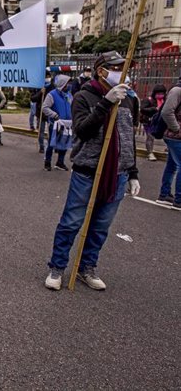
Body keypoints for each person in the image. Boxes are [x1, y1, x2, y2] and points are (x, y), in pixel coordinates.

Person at [45, 51, 140, 291]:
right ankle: (57, 268)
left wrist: (133, 172)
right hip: (87, 171)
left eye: (124, 67)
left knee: (100, 227)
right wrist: (106, 103)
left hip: (117, 174)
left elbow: (128, 137)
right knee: (71, 222)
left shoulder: (128, 98)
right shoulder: (83, 96)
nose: (122, 72)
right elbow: (83, 131)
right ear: (102, 70)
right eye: (117, 67)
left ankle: (87, 267)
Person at [156, 76, 181, 210]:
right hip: (175, 136)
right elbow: (166, 111)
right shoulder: (177, 90)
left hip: (175, 135)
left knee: (172, 165)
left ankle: (164, 195)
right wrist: (176, 128)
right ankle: (179, 199)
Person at [42, 74, 73, 171]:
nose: (69, 85)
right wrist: (54, 115)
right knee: (52, 143)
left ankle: (60, 162)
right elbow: (45, 108)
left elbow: (72, 106)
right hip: (55, 123)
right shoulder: (52, 94)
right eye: (67, 83)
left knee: (64, 143)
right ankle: (47, 162)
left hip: (67, 124)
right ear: (62, 84)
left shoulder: (69, 95)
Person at [140, 84, 167, 161]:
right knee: (150, 137)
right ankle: (150, 153)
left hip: (161, 122)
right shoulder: (148, 100)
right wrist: (155, 109)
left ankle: (168, 149)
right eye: (158, 94)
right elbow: (143, 109)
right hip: (149, 122)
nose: (160, 95)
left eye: (162, 93)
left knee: (166, 136)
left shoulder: (165, 101)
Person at [31, 72, 54, 153]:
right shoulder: (38, 87)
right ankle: (41, 146)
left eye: (49, 76)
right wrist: (40, 92)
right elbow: (33, 98)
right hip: (41, 112)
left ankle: (50, 146)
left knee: (51, 131)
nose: (47, 78)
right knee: (41, 131)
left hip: (50, 113)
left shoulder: (53, 87)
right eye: (46, 77)